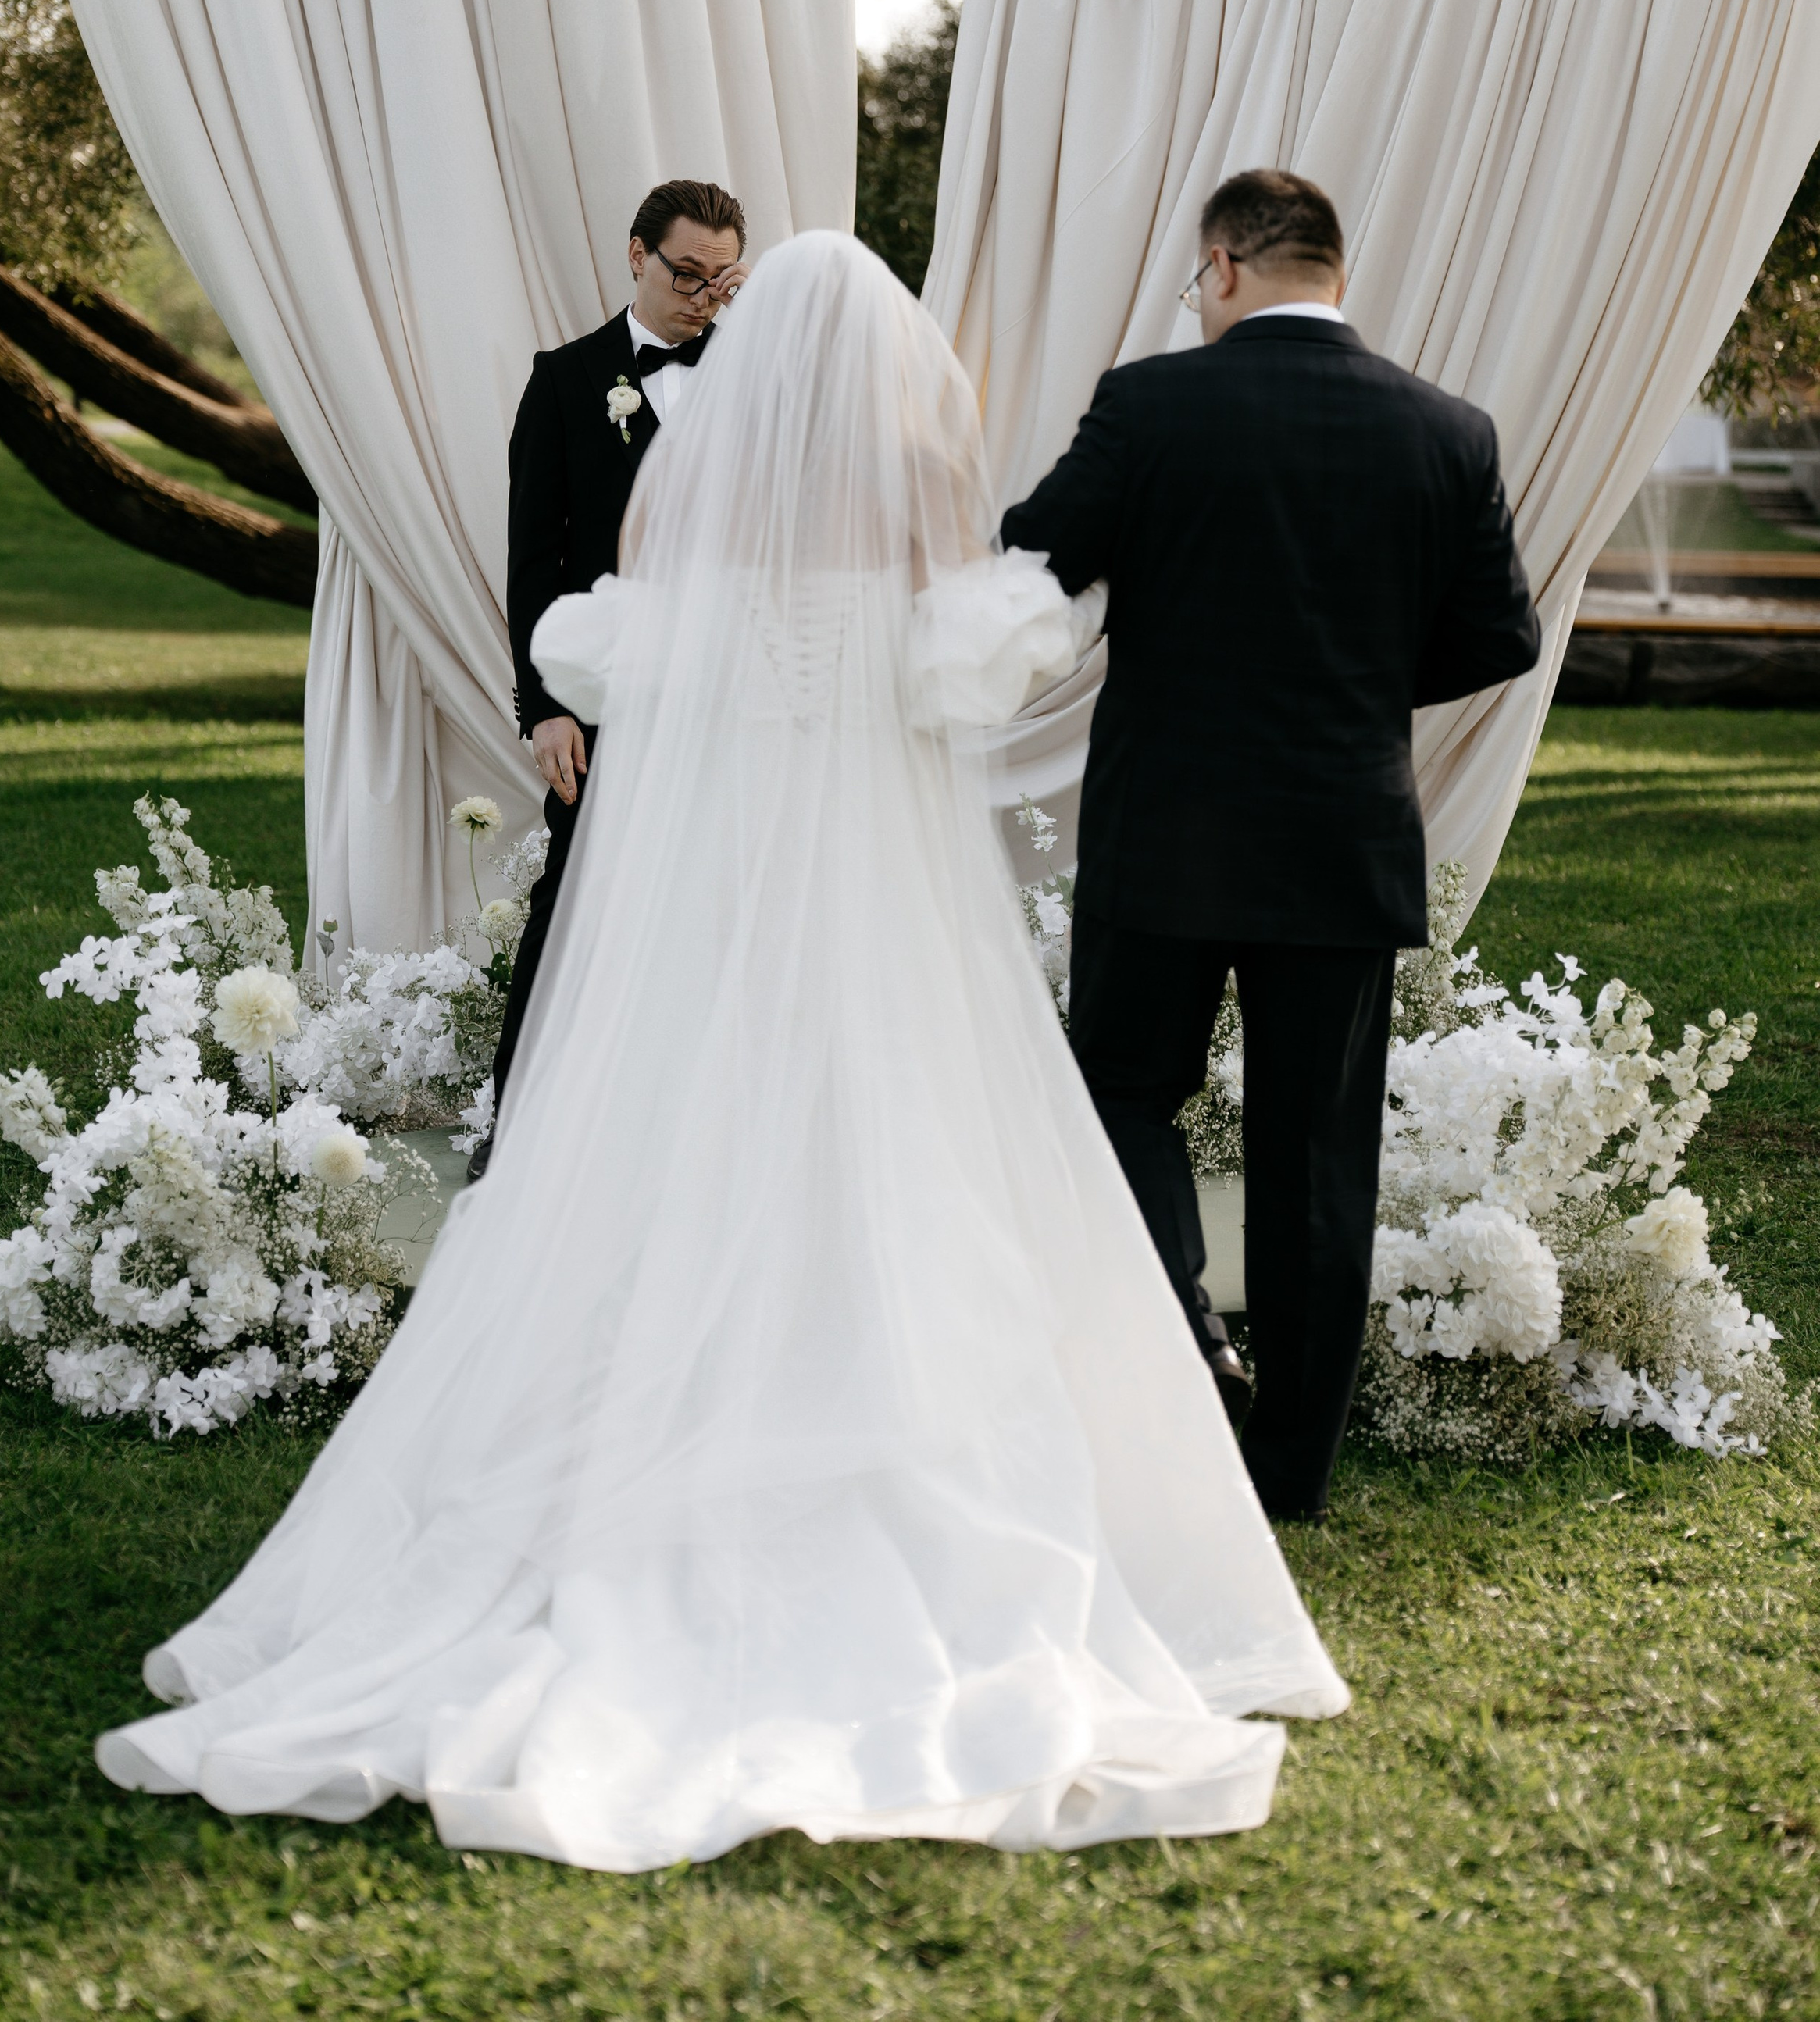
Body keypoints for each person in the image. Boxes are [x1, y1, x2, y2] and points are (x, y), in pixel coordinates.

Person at [97, 232, 1347, 1864]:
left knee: (662, 1165)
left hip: (704, 932)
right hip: (876, 929)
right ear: (890, 383)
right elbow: (979, 645)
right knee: (899, 1177)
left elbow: (605, 642)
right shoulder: (919, 523)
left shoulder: (678, 529)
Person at [1002, 169, 1541, 1526]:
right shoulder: (1447, 429)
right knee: (1319, 1158)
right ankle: (1292, 1474)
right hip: (1339, 842)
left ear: (1226, 267)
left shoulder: (1152, 404)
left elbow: (1035, 551)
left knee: (1122, 1090)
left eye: (1199, 284)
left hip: (1166, 832)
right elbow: (1502, 638)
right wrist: (1348, 681)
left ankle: (1187, 1351)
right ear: (1333, 273)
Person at [481, 180, 748, 1176]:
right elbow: (533, 562)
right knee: (574, 903)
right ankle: (518, 1129)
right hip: (606, 702)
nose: (703, 298)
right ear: (635, 255)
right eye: (687, 274)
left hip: (732, 698)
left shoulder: (757, 378)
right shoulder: (564, 381)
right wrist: (546, 706)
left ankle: (705, 1136)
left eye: (722, 280)